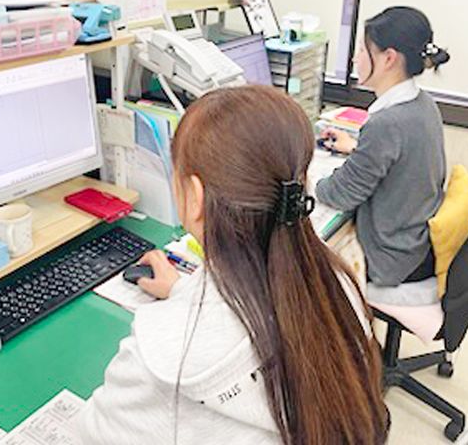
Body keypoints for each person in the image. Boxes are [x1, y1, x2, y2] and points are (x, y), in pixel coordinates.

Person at [69, 86, 389, 444]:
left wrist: (184, 308)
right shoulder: (337, 283)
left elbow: (88, 434)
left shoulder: (159, 358)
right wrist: (182, 291)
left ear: (195, 198)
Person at [316, 6, 451, 288]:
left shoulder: (386, 124)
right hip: (415, 243)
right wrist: (357, 148)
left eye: (362, 51)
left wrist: (305, 177)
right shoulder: (423, 104)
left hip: (389, 258)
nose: (355, 58)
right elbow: (401, 159)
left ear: (389, 58)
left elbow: (339, 194)